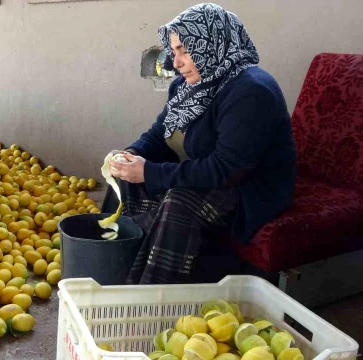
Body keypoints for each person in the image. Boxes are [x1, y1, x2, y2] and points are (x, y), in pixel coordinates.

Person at [101, 3, 296, 285]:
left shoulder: (251, 91)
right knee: (122, 182)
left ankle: (151, 298)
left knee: (178, 200)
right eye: (175, 51)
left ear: (213, 43)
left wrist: (149, 172)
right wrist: (131, 155)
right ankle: (113, 272)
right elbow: (160, 133)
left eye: (185, 50)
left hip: (249, 189)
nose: (175, 62)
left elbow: (227, 170)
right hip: (209, 172)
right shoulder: (189, 85)